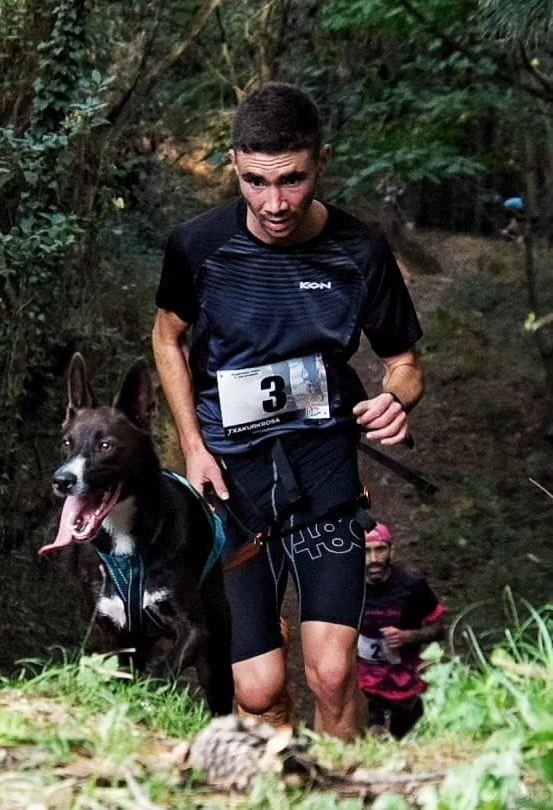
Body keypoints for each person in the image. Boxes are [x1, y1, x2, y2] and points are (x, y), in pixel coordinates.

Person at [151, 82, 424, 740]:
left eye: (293, 180)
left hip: (322, 470)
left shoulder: (360, 252)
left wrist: (397, 399)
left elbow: (404, 362)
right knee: (258, 688)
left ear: (320, 163)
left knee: (332, 674)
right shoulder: (198, 246)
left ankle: (346, 783)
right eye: (255, 182)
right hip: (231, 479)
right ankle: (284, 778)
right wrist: (191, 443)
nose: (274, 204)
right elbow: (167, 337)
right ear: (235, 167)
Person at [358, 522, 446, 738]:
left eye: (380, 549)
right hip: (364, 687)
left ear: (391, 550)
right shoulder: (349, 586)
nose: (374, 559)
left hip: (407, 685)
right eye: (366, 551)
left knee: (405, 743)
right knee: (372, 742)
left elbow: (439, 630)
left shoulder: (412, 585)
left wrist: (409, 636)